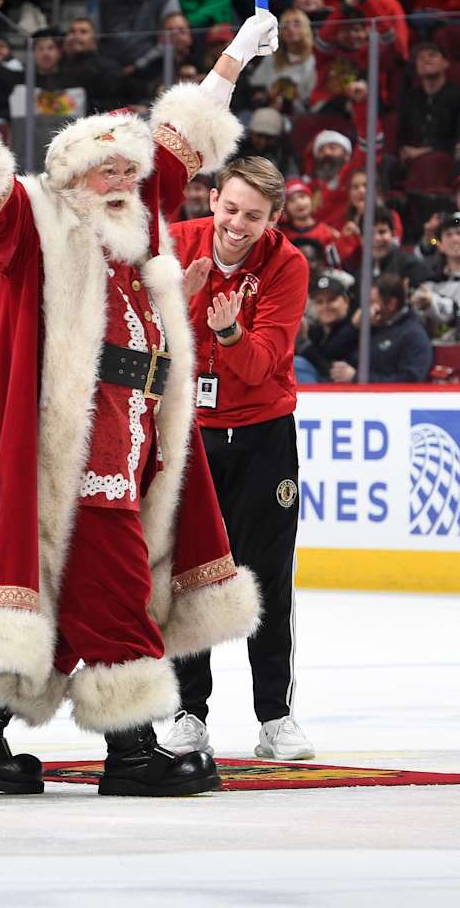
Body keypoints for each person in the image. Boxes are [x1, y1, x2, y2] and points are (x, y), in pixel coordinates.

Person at [0, 10, 274, 798]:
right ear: (72, 182)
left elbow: (186, 135)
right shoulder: (38, 221)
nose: (126, 184)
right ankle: (133, 753)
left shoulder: (142, 222)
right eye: (108, 174)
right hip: (80, 445)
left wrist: (237, 53)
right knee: (115, 582)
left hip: (137, 432)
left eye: (130, 174)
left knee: (84, 586)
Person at [162, 156, 313, 762]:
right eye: (230, 209)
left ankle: (275, 718)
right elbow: (139, 330)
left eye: (253, 216)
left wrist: (227, 334)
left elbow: (259, 364)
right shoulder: (176, 243)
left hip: (262, 435)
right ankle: (186, 712)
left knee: (267, 577)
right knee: (187, 576)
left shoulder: (287, 265)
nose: (237, 224)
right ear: (213, 198)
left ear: (272, 219)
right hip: (190, 433)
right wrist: (178, 297)